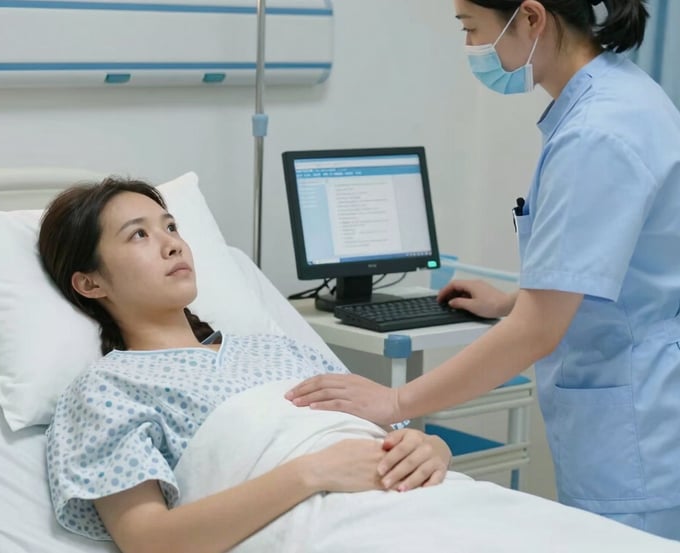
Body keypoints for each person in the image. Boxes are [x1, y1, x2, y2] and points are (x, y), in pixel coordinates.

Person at [286, 0, 680, 540]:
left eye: (472, 28)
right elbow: (620, 275)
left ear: (532, 18)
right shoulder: (622, 95)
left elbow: (540, 329)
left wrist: (394, 401)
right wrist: (510, 301)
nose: (470, 47)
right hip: (637, 401)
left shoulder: (596, 133)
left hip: (638, 428)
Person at [37, 177, 452, 552]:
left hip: (428, 502)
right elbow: (149, 542)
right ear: (91, 283)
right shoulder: (108, 389)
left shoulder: (282, 349)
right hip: (328, 530)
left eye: (171, 227)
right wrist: (313, 472)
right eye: (139, 235)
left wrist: (433, 448)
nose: (173, 244)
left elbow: (391, 435)